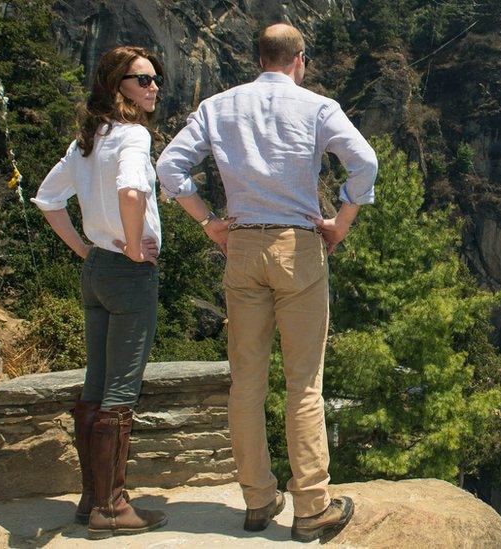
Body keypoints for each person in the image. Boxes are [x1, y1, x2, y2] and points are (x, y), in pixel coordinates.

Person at [157, 22, 377, 542]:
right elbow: (364, 160)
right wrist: (340, 224)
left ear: (260, 58)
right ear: (298, 59)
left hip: (242, 246)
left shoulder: (218, 106)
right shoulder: (317, 107)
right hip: (299, 247)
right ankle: (312, 508)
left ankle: (257, 501)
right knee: (304, 384)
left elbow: (169, 166)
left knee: (247, 383)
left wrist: (209, 221)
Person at [32, 45, 168, 540]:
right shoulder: (132, 136)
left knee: (95, 386)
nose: (154, 86)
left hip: (96, 272)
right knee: (118, 392)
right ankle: (111, 509)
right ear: (118, 87)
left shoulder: (86, 141)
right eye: (142, 79)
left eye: (156, 78)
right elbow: (132, 192)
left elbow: (48, 199)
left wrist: (86, 251)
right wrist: (133, 248)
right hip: (128, 276)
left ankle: (91, 498)